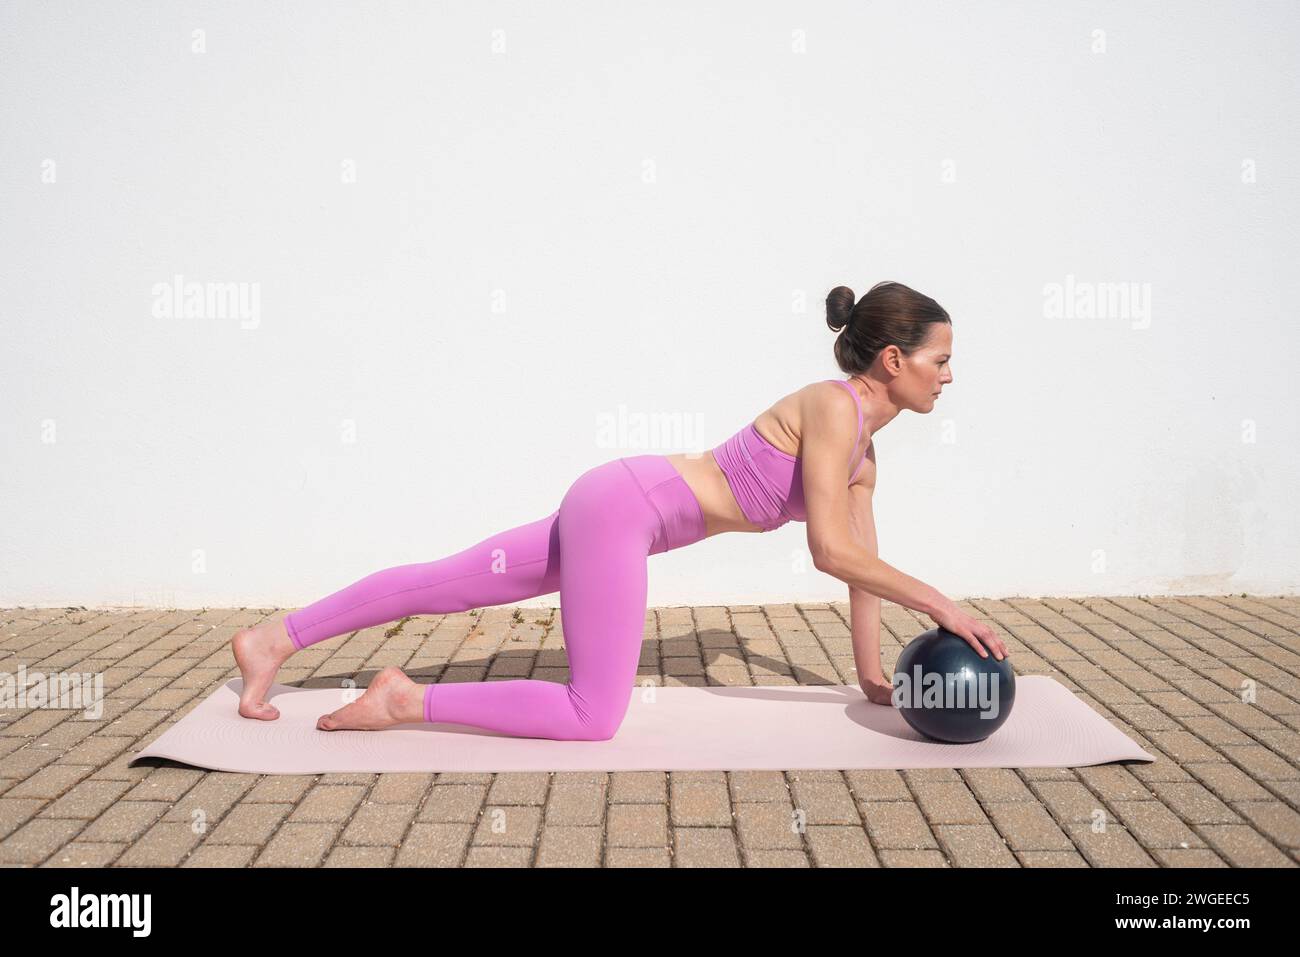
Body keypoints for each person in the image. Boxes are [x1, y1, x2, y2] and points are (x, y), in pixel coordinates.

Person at [230, 280, 1008, 740]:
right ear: (894, 360)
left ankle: (272, 640)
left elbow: (859, 564)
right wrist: (942, 602)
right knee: (592, 715)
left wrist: (871, 673)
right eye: (941, 360)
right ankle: (404, 699)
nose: (949, 376)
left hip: (619, 503)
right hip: (623, 513)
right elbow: (830, 550)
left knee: (450, 580)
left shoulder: (863, 454)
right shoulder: (835, 409)